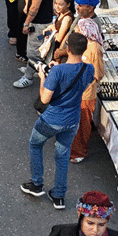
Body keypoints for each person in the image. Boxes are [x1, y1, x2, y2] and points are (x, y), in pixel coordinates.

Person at [21, 33, 95, 210]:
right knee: (62, 156)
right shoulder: (89, 69)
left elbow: (45, 99)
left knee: (35, 145)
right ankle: (59, 195)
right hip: (72, 121)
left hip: (51, 120)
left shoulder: (58, 71)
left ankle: (37, 184)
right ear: (84, 49)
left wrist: (43, 78)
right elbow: (79, 84)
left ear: (67, 48)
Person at [13, 0, 55, 85]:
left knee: (33, 51)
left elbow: (34, 8)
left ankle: (28, 77)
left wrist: (26, 23)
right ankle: (33, 69)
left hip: (38, 25)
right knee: (39, 48)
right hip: (45, 22)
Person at [69, 18, 104, 164]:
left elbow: (98, 73)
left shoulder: (94, 49)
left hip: (86, 93)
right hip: (75, 90)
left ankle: (79, 151)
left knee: (82, 123)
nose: (76, 29)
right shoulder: (81, 46)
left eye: (79, 28)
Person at [53, 0, 101, 64]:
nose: (77, 7)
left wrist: (62, 52)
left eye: (80, 5)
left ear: (90, 8)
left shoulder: (91, 26)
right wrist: (60, 49)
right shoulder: (80, 16)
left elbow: (83, 48)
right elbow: (69, 33)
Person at [38, 0, 75, 65]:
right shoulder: (61, 13)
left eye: (60, 4)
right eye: (56, 3)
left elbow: (58, 38)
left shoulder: (67, 18)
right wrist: (47, 31)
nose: (57, 7)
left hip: (58, 48)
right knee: (38, 38)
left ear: (68, 5)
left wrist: (52, 27)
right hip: (53, 43)